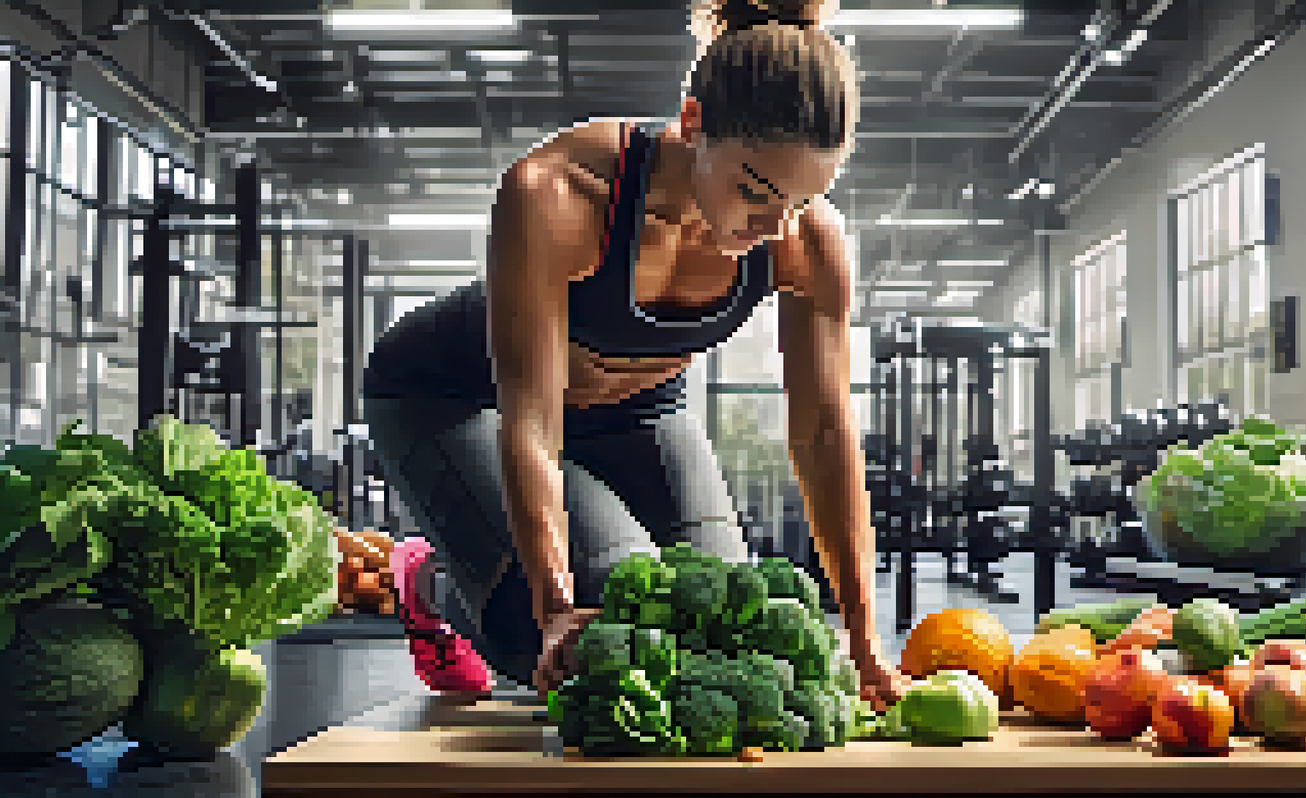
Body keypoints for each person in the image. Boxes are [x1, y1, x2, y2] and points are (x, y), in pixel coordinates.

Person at [361, 0, 909, 711]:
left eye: (803, 201)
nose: (776, 226)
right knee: (607, 628)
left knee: (725, 637)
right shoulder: (558, 194)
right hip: (457, 397)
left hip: (638, 410)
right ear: (691, 126)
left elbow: (825, 434)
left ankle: (485, 563)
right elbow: (530, 425)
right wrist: (555, 605)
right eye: (755, 191)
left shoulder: (805, 242)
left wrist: (866, 644)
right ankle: (436, 580)